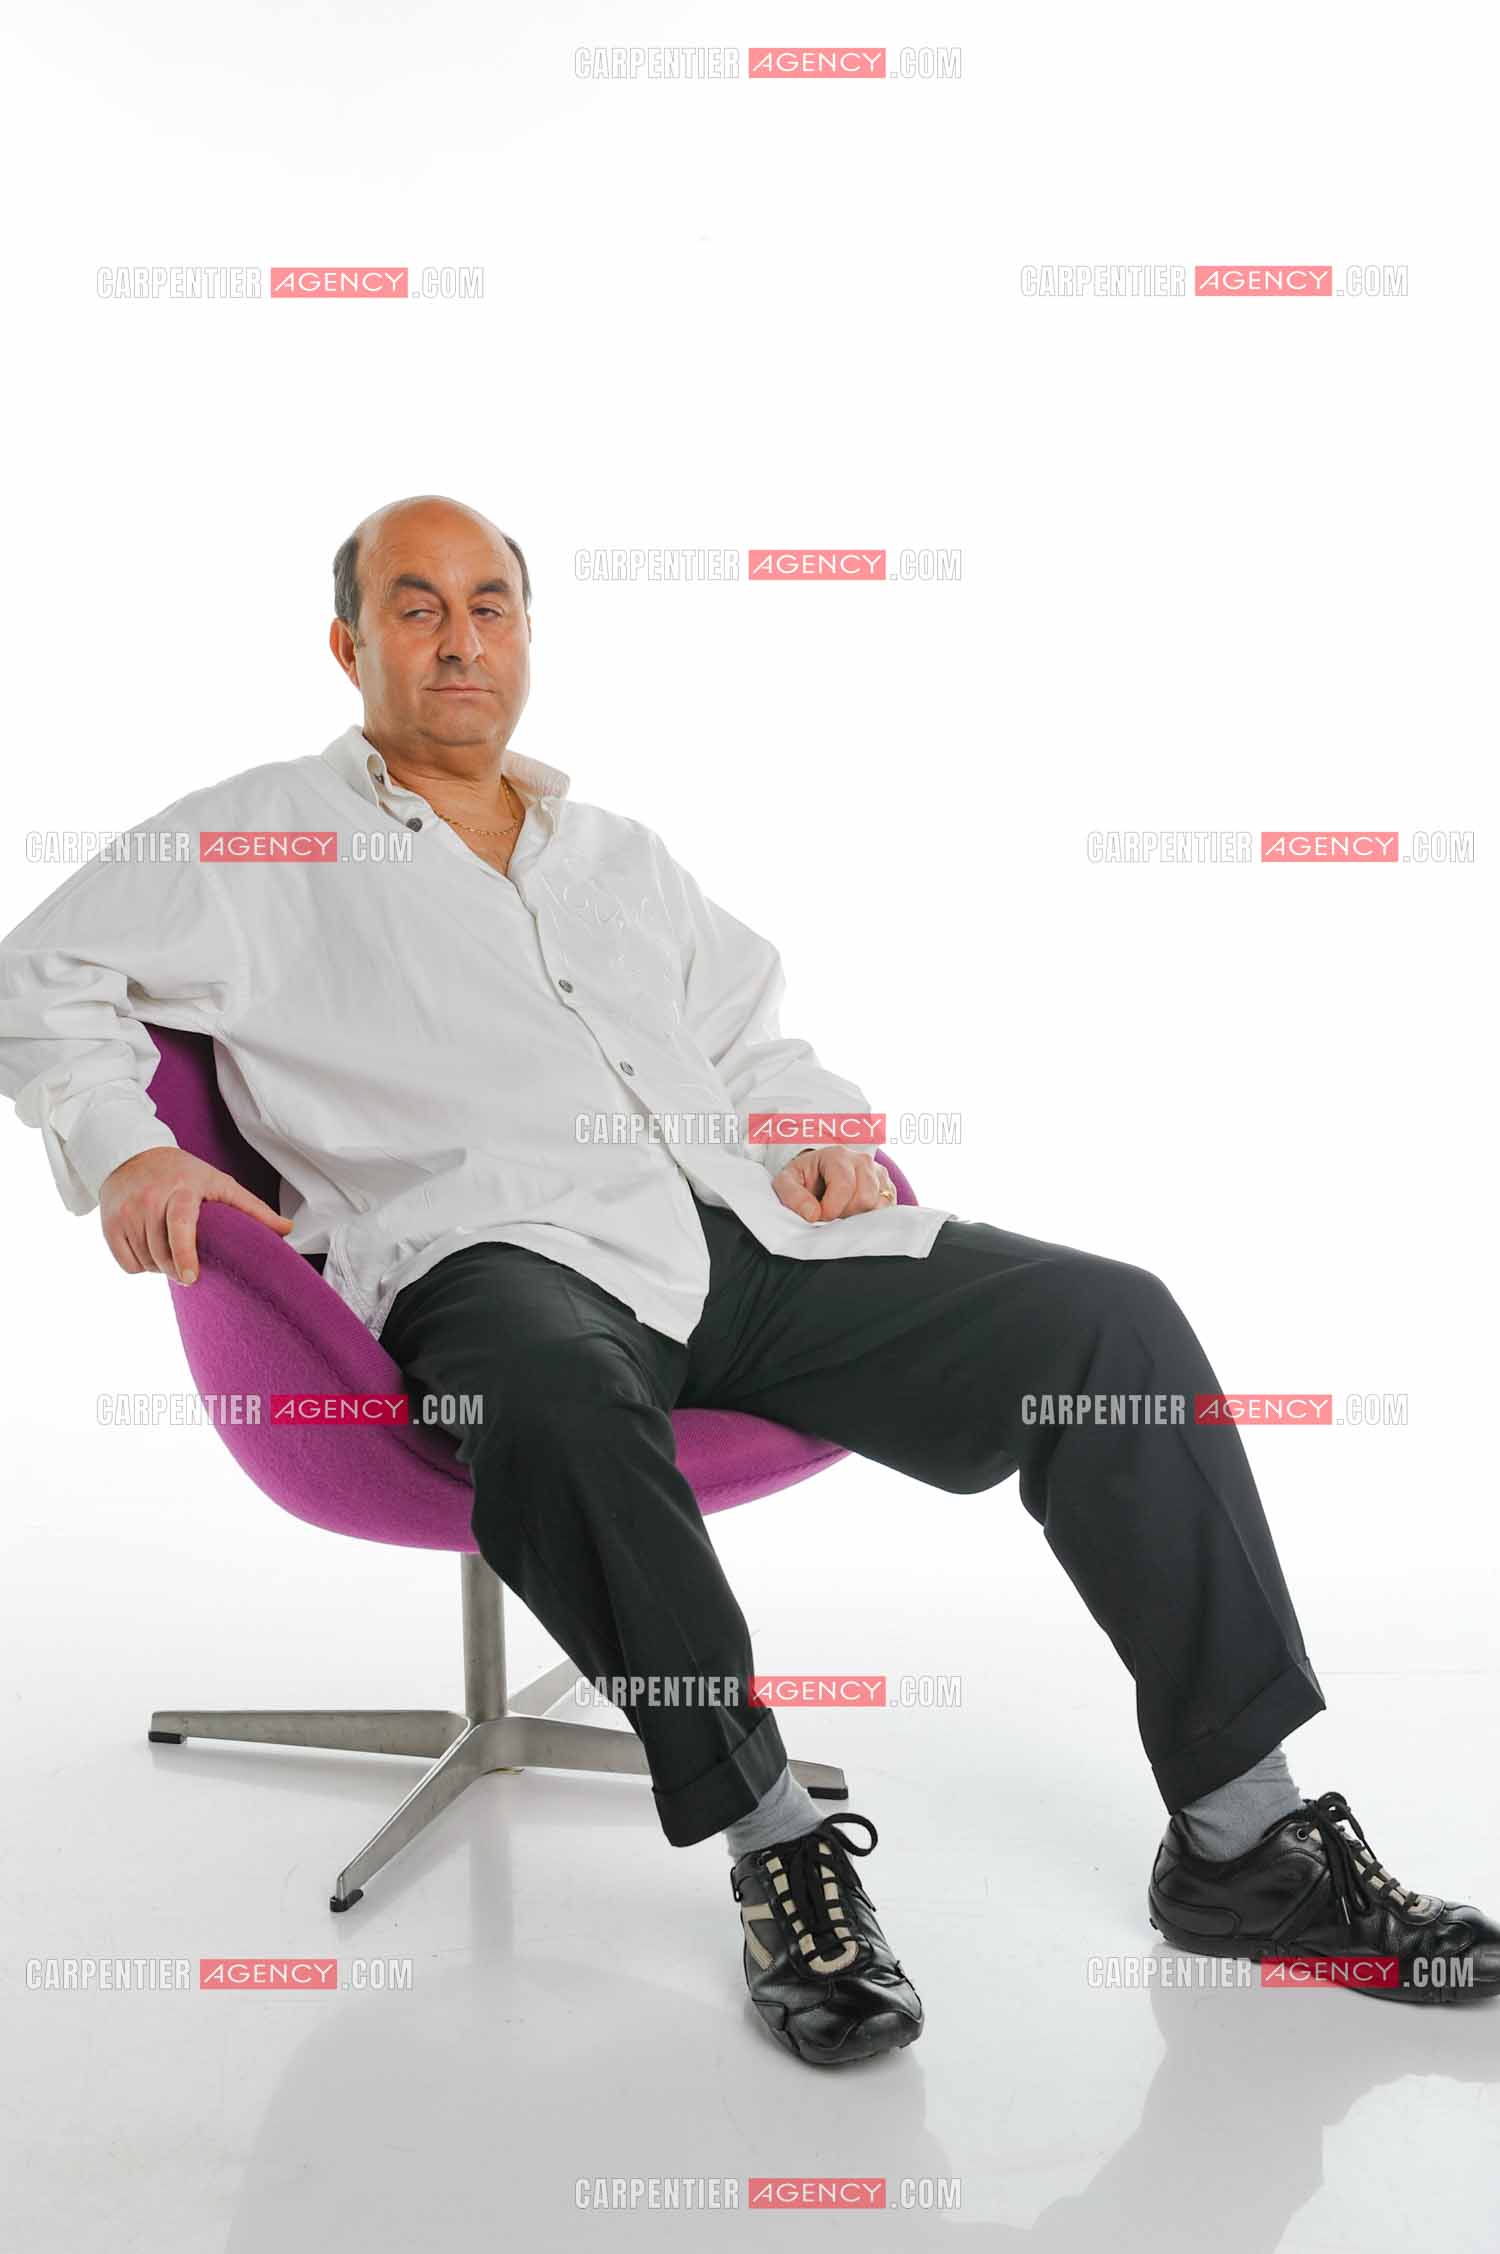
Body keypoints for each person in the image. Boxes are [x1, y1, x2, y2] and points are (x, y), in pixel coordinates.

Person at [3, 494, 1495, 2068]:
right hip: (490, 1262)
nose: (460, 640)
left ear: (527, 633)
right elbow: (35, 973)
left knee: (1109, 1322)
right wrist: (129, 1147)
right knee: (560, 1396)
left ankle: (1245, 1839)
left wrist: (814, 1129)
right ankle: (780, 1850)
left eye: (490, 605)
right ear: (347, 643)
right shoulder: (262, 833)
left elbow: (749, 1037)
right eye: (417, 606)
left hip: (726, 1241)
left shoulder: (613, 854)